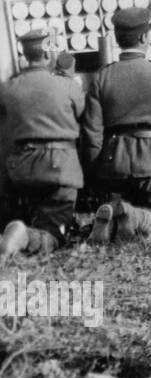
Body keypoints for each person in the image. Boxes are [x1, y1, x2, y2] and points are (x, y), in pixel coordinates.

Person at [82, 6, 151, 240]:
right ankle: (135, 217)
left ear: (118, 39)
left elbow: (92, 135)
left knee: (121, 211)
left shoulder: (101, 77)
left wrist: (94, 176)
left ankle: (116, 219)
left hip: (114, 164)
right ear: (145, 37)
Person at [0, 28, 86, 257]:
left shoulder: (7, 89)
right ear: (49, 55)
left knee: (30, 211)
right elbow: (82, 113)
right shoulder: (67, 86)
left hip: (19, 168)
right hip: (59, 169)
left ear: (26, 55)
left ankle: (18, 229)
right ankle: (25, 236)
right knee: (55, 231)